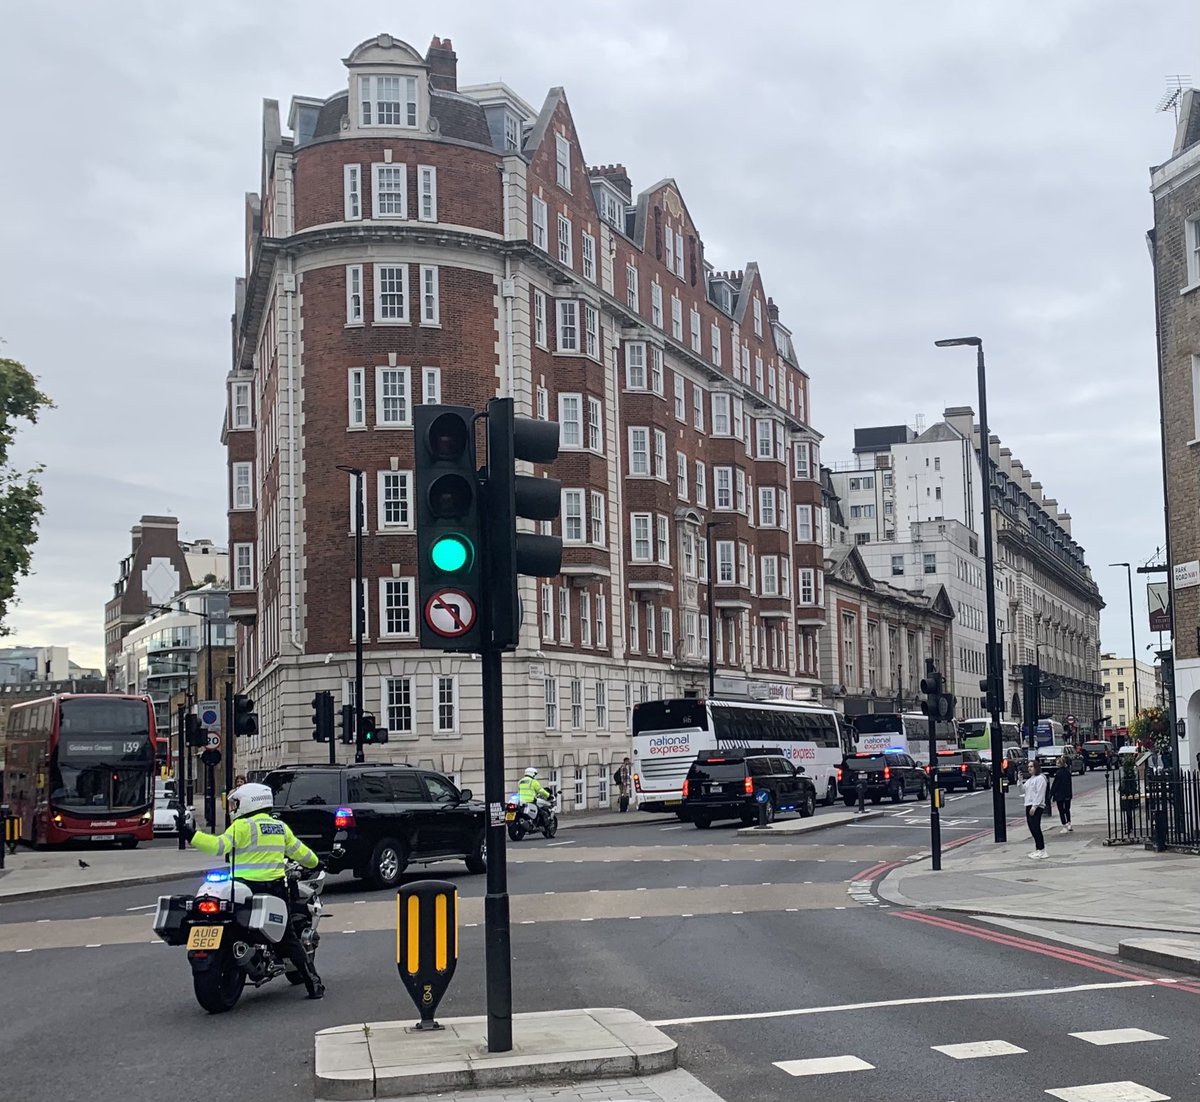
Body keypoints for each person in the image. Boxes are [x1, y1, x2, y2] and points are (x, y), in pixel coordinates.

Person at [178, 782, 325, 999]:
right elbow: (303, 854)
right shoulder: (279, 828)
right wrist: (317, 863)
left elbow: (218, 846)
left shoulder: (242, 827)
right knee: (288, 939)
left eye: (236, 802)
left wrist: (191, 835)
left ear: (249, 802)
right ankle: (314, 985)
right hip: (273, 890)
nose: (234, 807)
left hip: (242, 889)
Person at [1021, 758, 1049, 859]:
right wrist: (1020, 781)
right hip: (1028, 805)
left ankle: (1042, 850)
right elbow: (1023, 789)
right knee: (1032, 828)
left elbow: (1040, 794)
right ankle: (1038, 849)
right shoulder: (1030, 779)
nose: (1029, 768)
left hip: (1036, 806)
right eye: (1028, 767)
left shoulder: (1040, 778)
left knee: (1036, 828)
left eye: (1031, 766)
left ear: (1036, 767)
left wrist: (1035, 806)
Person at [1050, 755, 1073, 833]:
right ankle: (1069, 824)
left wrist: (1051, 794)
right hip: (1067, 794)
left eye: (1057, 763)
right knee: (1067, 809)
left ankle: (1064, 826)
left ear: (1061, 764)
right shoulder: (1068, 772)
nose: (1056, 764)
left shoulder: (1058, 773)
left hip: (1059, 795)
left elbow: (1055, 785)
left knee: (1061, 810)